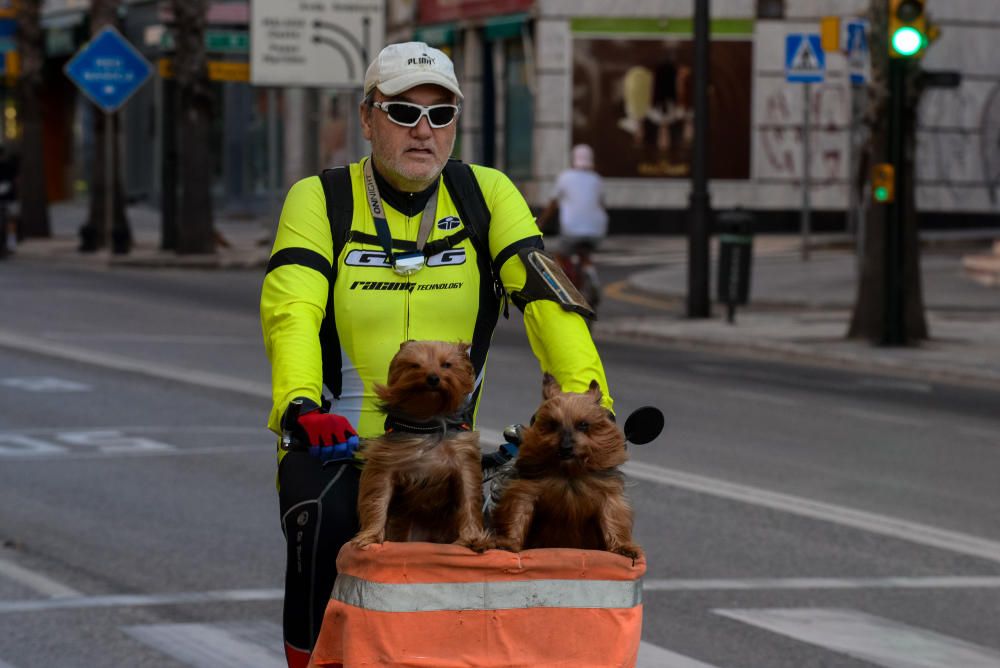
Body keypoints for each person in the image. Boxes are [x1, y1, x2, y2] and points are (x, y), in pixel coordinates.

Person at [260, 42, 613, 668]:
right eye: (402, 113)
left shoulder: (486, 194)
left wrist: (591, 399)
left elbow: (545, 299)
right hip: (337, 439)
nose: (423, 130)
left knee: (516, 544)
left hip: (448, 448)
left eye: (440, 114)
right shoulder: (320, 199)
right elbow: (293, 309)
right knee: (325, 524)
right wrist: (299, 405)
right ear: (368, 118)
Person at [536, 144, 608, 304]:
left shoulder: (565, 177)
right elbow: (602, 205)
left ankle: (563, 290)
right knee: (585, 254)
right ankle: (591, 275)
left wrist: (540, 223)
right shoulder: (597, 179)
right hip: (596, 231)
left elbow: (553, 205)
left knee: (560, 255)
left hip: (571, 230)